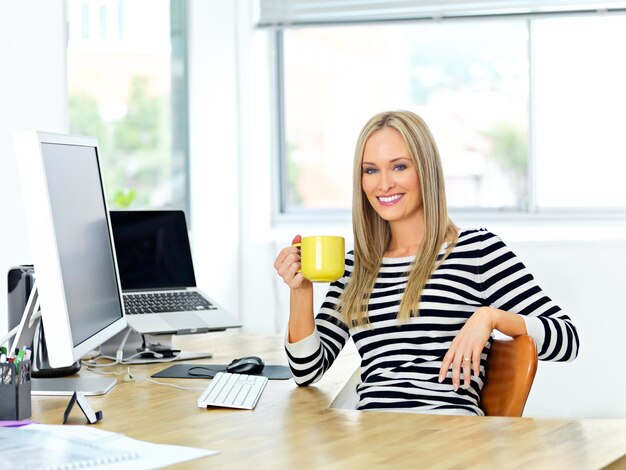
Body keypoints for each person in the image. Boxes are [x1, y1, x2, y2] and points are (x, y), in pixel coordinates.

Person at [274, 110, 579, 416]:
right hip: (372, 439)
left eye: (399, 167)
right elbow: (308, 372)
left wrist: (491, 317)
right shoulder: (356, 266)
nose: (384, 184)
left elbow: (567, 339)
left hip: (448, 437)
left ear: (425, 170)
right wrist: (300, 290)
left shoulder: (476, 250)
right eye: (371, 170)